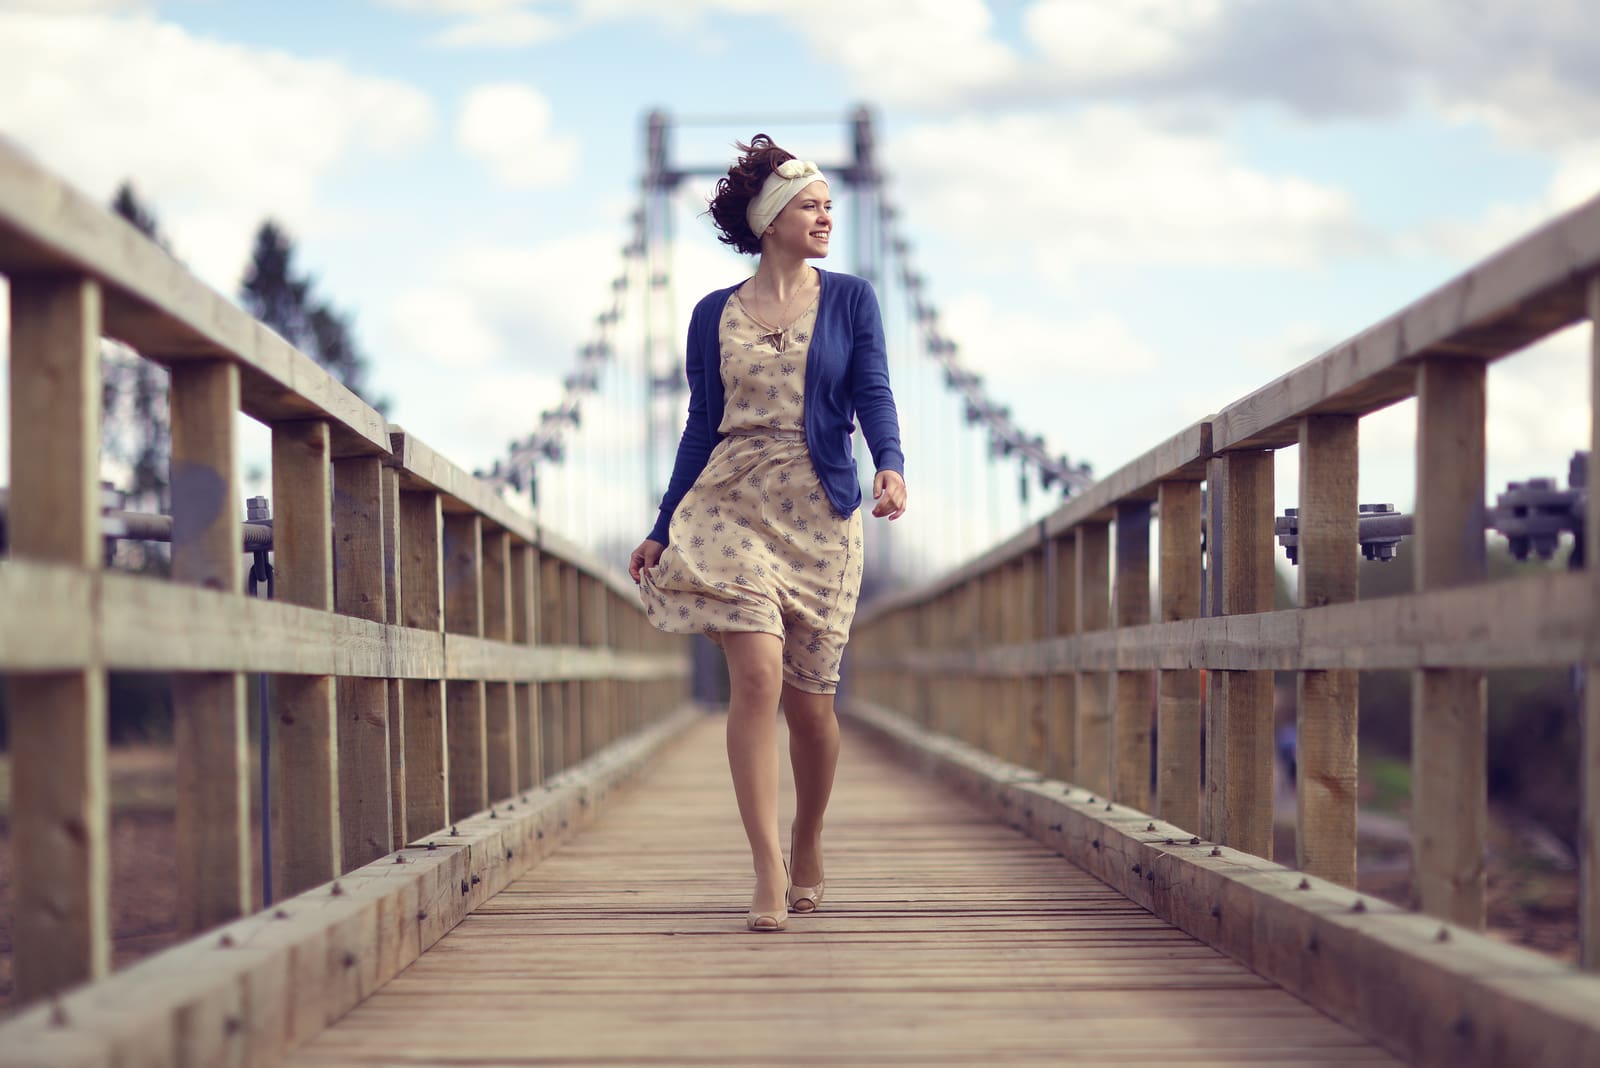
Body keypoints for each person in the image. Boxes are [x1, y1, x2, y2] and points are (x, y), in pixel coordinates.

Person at [628, 135, 908, 932]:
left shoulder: (851, 298)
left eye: (828, 204)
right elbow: (699, 427)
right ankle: (767, 868)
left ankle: (809, 840)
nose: (826, 216)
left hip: (820, 511)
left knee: (811, 706)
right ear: (772, 220)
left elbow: (873, 391)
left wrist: (888, 463)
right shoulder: (711, 314)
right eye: (812, 205)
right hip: (730, 506)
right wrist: (660, 527)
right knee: (755, 678)